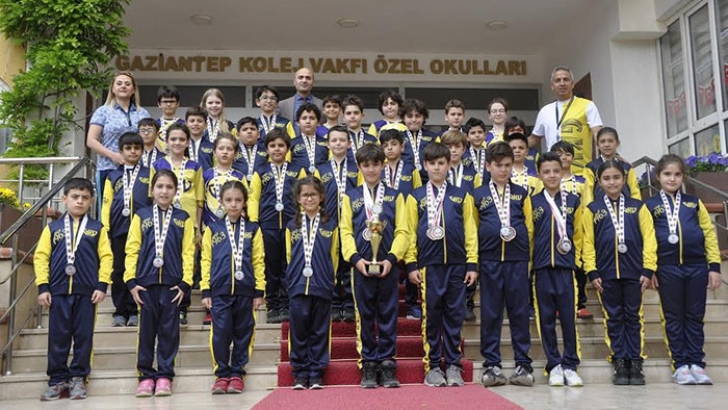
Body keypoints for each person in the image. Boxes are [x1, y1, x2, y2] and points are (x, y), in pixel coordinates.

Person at [645, 154, 722, 385]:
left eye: (677, 174)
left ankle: (696, 363)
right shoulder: (650, 206)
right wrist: (651, 269)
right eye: (667, 174)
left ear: (683, 177)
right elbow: (647, 239)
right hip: (667, 268)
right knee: (673, 317)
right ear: (658, 176)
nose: (672, 179)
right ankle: (680, 365)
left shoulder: (693, 203)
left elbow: (709, 234)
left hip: (696, 267)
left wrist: (714, 266)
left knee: (695, 316)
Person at [406, 142, 478, 388]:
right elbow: (409, 231)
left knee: (455, 315)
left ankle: (454, 365)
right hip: (429, 266)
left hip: (457, 266)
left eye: (441, 163)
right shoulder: (415, 196)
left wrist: (471, 263)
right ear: (425, 166)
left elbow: (470, 230)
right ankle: (433, 366)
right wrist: (411, 264)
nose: (437, 168)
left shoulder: (461, 195)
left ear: (449, 165)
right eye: (432, 163)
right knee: (432, 316)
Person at [340, 143, 410, 389]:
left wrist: (391, 259)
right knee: (365, 315)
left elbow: (403, 230)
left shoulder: (395, 195)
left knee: (389, 314)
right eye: (366, 165)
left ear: (383, 165)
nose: (371, 169)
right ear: (359, 167)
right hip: (361, 267)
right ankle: (369, 363)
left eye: (375, 164)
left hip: (387, 266)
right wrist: (356, 259)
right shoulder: (350, 196)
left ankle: (388, 363)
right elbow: (345, 231)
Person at [35, 178, 112, 401]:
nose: (79, 201)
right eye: (75, 197)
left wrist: (102, 285)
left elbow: (106, 257)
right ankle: (57, 379)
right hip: (58, 292)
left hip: (87, 293)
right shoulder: (53, 228)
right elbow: (41, 257)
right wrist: (43, 286)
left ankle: (79, 377)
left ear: (91, 201)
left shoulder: (97, 229)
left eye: (85, 198)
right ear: (64, 198)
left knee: (83, 336)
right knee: (58, 337)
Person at [582, 160, 657, 386]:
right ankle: (620, 361)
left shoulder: (638, 207)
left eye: (616, 177)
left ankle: (635, 361)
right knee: (613, 317)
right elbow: (588, 242)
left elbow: (649, 238)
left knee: (633, 316)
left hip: (635, 272)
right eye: (607, 178)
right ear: (599, 182)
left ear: (624, 179)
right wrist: (592, 270)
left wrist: (648, 268)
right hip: (605, 275)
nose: (612, 182)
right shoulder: (592, 209)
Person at [125, 169, 195, 397]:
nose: (164, 191)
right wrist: (131, 281)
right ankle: (145, 376)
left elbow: (188, 252)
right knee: (146, 332)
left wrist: (185, 282)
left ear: (176, 191)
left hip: (172, 286)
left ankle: (165, 375)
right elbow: (132, 249)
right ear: (152, 189)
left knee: (169, 332)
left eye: (169, 187)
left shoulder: (183, 218)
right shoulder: (141, 215)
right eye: (160, 186)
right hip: (144, 285)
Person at [474, 141, 535, 387]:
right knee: (490, 313)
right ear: (488, 166)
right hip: (489, 261)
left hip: (517, 261)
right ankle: (492, 364)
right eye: (498, 165)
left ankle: (523, 364)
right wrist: (475, 261)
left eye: (508, 165)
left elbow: (529, 228)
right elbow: (474, 227)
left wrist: (527, 259)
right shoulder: (477, 195)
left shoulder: (522, 193)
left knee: (519, 312)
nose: (503, 170)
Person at [201, 180, 265, 394]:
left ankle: (237, 373)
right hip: (219, 292)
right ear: (221, 202)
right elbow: (206, 260)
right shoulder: (213, 229)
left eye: (238, 200)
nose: (234, 204)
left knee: (243, 333)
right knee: (220, 334)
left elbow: (258, 261)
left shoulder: (253, 229)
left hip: (245, 291)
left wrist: (259, 290)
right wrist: (206, 290)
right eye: (229, 200)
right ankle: (221, 374)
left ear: (245, 202)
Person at [531, 152, 584, 387]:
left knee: (569, 319)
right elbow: (529, 234)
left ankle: (570, 365)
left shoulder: (573, 201)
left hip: (566, 269)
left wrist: (576, 261)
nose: (551, 175)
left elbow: (580, 234)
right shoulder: (532, 202)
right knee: (546, 320)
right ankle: (554, 365)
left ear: (562, 172)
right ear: (539, 175)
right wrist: (531, 264)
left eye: (555, 171)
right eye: (546, 172)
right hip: (542, 269)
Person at [286, 176, 339, 390]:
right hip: (298, 285)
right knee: (298, 331)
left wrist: (330, 278)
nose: (309, 199)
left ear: (321, 197)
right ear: (298, 199)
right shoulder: (292, 226)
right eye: (305, 195)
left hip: (322, 284)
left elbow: (334, 255)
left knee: (319, 330)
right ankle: (300, 373)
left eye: (313, 195)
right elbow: (289, 256)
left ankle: (316, 372)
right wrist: (292, 279)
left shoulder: (330, 225)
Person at [248, 129, 306, 324]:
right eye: (272, 145)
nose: (277, 149)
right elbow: (254, 198)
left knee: (289, 264)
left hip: (292, 225)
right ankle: (273, 304)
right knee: (271, 265)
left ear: (287, 148)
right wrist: (254, 223)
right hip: (268, 225)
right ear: (267, 149)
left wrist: (302, 219)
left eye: (281, 145)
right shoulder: (260, 171)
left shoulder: (298, 169)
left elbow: (304, 194)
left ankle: (288, 303)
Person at [151, 123, 204, 327]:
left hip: (188, 221)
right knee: (168, 260)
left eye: (182, 139)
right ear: (166, 141)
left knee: (186, 262)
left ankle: (182, 307)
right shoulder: (157, 165)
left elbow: (199, 200)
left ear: (188, 142)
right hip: (164, 221)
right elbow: (152, 196)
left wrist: (198, 228)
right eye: (173, 139)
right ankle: (165, 305)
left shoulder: (195, 167)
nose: (177, 143)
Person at [102, 132, 151, 328]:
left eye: (136, 148)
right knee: (119, 270)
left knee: (139, 269)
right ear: (121, 151)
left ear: (142, 151)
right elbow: (106, 203)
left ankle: (135, 310)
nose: (132, 151)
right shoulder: (113, 176)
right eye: (128, 148)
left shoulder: (149, 174)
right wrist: (105, 228)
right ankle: (120, 311)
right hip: (119, 229)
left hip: (143, 230)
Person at [86, 71, 151, 210]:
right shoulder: (103, 111)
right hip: (108, 168)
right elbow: (91, 140)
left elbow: (150, 140)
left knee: (137, 206)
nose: (123, 86)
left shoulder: (142, 113)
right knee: (108, 209)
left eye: (127, 84)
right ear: (113, 89)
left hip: (137, 168)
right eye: (119, 83)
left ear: (133, 90)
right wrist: (113, 155)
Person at [314, 125, 358, 322]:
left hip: (351, 225)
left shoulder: (357, 168)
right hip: (327, 224)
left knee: (349, 264)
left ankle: (349, 304)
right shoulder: (320, 169)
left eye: (342, 140)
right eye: (334, 140)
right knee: (329, 264)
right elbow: (315, 197)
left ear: (349, 144)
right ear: (328, 144)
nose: (338, 143)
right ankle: (332, 304)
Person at [379, 129, 422, 320]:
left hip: (408, 220)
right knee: (386, 258)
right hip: (384, 221)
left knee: (410, 259)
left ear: (402, 147)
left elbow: (418, 194)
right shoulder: (377, 168)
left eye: (394, 144)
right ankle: (385, 304)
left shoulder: (411, 170)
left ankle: (412, 304)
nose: (390, 148)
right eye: (385, 145)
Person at [529, 66, 603, 175]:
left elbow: (598, 135)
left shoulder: (588, 105)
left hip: (581, 172)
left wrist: (611, 155)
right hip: (554, 174)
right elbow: (533, 139)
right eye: (558, 80)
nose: (562, 83)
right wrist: (508, 147)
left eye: (566, 79)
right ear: (552, 86)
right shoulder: (545, 111)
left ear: (572, 84)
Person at [550, 141, 592, 320]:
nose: (564, 157)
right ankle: (558, 304)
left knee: (578, 267)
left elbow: (588, 205)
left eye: (567, 154)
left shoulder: (582, 181)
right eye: (559, 154)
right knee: (557, 269)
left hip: (577, 231)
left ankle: (580, 304)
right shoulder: (550, 181)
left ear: (573, 158)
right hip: (555, 231)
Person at [582, 127, 641, 206]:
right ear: (597, 144)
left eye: (610, 141)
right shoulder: (591, 167)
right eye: (602, 141)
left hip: (626, 209)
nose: (606, 145)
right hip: (599, 209)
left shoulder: (626, 167)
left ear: (617, 143)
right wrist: (589, 209)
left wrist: (637, 207)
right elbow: (587, 194)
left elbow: (635, 192)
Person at [202, 133, 246, 227]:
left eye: (229, 149)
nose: (225, 152)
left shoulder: (240, 177)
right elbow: (200, 202)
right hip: (208, 225)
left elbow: (246, 203)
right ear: (214, 152)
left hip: (233, 226)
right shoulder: (205, 175)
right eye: (221, 148)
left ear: (235, 154)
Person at [400, 99, 438, 181]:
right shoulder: (398, 137)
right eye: (409, 116)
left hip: (428, 180)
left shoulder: (433, 137)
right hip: (404, 179)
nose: (414, 120)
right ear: (403, 118)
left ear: (424, 118)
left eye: (417, 116)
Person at [278, 68, 323, 134]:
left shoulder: (322, 105)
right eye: (300, 77)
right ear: (294, 82)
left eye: (308, 78)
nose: (304, 80)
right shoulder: (282, 105)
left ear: (313, 82)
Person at [290, 103, 328, 175]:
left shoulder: (326, 142)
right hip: (298, 179)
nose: (308, 121)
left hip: (322, 178)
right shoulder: (291, 143)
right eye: (304, 118)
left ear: (318, 122)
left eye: (312, 118)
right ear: (298, 122)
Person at [342, 95, 378, 165]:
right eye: (348, 113)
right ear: (343, 117)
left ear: (362, 116)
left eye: (356, 113)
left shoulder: (372, 139)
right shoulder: (339, 139)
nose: (352, 116)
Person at [233, 117, 268, 183]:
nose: (249, 131)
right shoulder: (233, 149)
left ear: (258, 134)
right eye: (245, 129)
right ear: (238, 135)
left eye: (252, 129)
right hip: (237, 184)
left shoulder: (266, 149)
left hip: (261, 184)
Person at [185, 106, 215, 171]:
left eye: (200, 121)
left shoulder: (212, 146)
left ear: (206, 124)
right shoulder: (182, 145)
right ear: (186, 123)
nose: (195, 124)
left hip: (206, 177)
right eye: (192, 121)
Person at [155, 85, 184, 150]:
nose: (168, 104)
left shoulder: (184, 124)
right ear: (159, 104)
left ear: (178, 104)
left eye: (172, 101)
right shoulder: (154, 125)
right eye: (165, 101)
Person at [463, 117, 490, 182]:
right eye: (473, 133)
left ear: (485, 135)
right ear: (467, 137)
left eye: (480, 132)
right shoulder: (462, 155)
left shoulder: (490, 154)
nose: (477, 135)